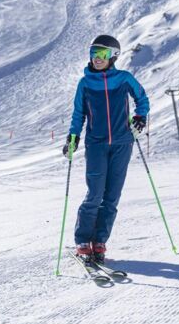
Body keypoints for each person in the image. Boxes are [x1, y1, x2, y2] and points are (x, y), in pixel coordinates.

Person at [62, 34, 149, 264]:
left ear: (113, 57)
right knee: (95, 194)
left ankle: (100, 241)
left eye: (101, 54)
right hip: (96, 144)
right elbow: (78, 114)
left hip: (122, 143)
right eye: (93, 54)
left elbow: (142, 98)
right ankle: (82, 240)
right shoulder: (85, 83)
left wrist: (140, 117)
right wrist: (73, 137)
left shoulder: (123, 79)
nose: (96, 59)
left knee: (111, 196)